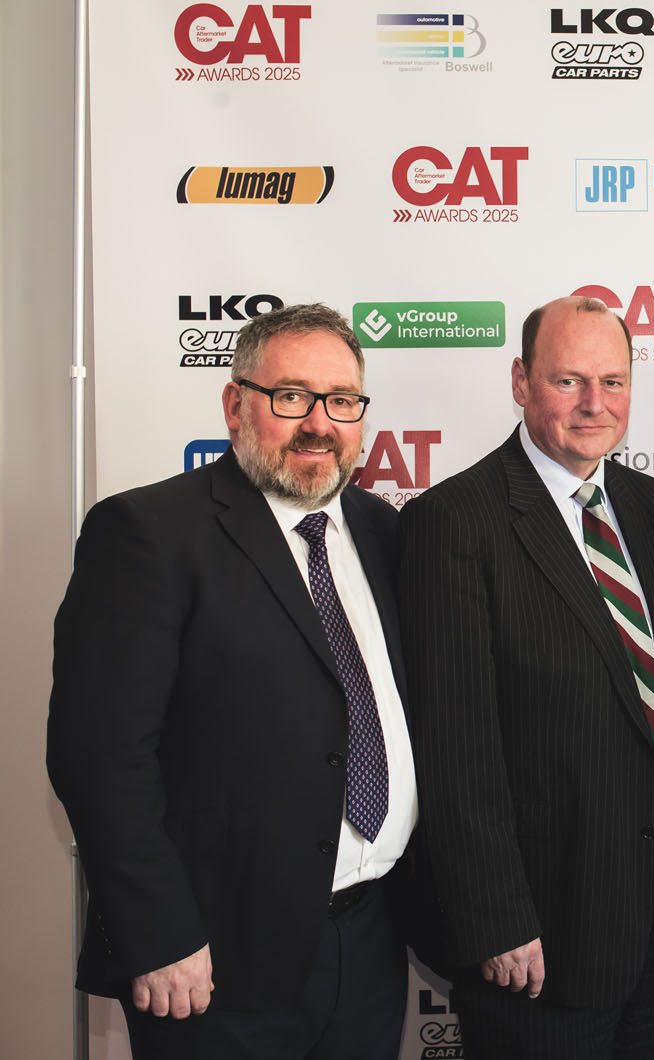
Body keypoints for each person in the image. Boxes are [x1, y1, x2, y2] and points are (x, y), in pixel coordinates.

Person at [47, 304, 417, 1059]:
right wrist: (158, 935)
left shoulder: (384, 532)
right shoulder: (148, 533)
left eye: (342, 401)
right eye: (292, 396)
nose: (318, 423)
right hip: (212, 960)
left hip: (371, 945)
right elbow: (99, 758)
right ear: (235, 404)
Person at [398, 296, 654, 1060]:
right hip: (540, 927)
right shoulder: (455, 520)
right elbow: (454, 746)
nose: (593, 404)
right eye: (568, 380)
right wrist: (495, 917)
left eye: (613, 381)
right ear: (521, 381)